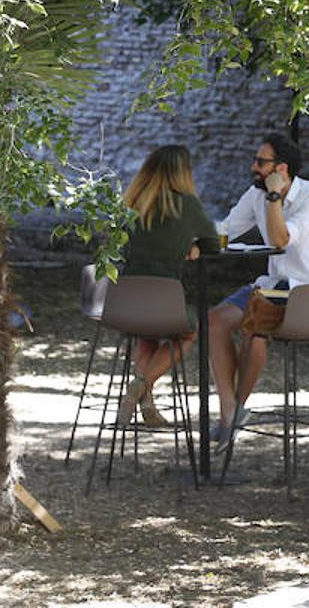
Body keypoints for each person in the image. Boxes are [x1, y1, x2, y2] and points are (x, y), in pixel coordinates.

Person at [208, 133, 309, 447]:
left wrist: (274, 198)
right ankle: (230, 406)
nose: (254, 167)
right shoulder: (255, 194)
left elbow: (281, 240)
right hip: (272, 286)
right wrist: (189, 237)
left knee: (255, 326)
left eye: (261, 162)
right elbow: (226, 229)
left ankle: (233, 410)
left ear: (282, 169)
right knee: (214, 321)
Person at [117, 145, 220, 428]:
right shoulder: (186, 205)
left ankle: (146, 401)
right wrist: (194, 245)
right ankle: (139, 385)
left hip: (122, 304)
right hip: (164, 303)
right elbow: (214, 245)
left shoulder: (131, 202)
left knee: (148, 336)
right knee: (187, 333)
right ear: (183, 173)